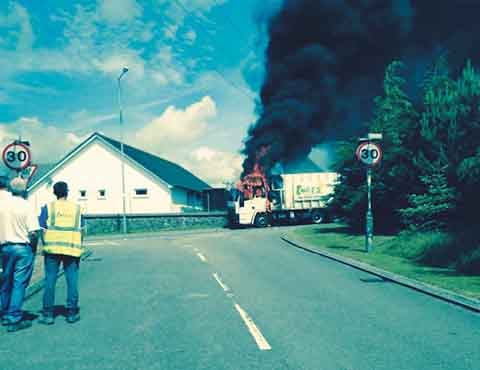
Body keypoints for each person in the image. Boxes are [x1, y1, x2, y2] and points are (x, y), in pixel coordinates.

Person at [38, 181, 84, 325]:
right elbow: (82, 230)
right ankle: (71, 313)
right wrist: (78, 245)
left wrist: (45, 245)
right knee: (72, 280)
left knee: (50, 280)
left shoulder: (48, 207)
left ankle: (48, 314)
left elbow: (42, 229)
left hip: (52, 250)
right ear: (67, 192)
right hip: (71, 249)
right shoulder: (77, 209)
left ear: (54, 192)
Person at [0, 173, 40, 333]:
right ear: (24, 190)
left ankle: (4, 312)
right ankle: (14, 317)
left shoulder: (2, 204)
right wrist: (34, 249)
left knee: (5, 282)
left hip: (4, 247)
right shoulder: (26, 206)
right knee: (19, 283)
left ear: (10, 189)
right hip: (22, 248)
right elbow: (34, 232)